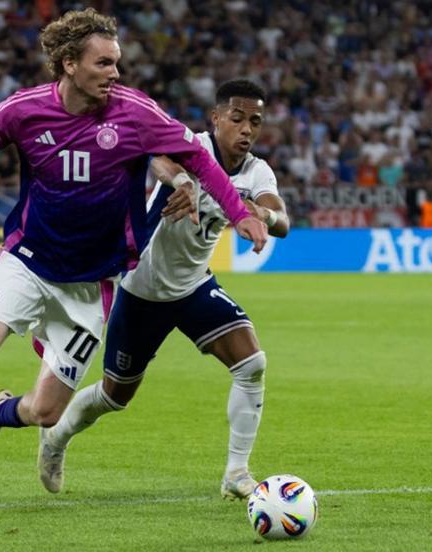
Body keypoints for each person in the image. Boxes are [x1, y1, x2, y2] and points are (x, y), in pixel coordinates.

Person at [0, 9, 267, 531]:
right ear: (68, 64)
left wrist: (239, 213)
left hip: (91, 288)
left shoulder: (135, 112)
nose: (115, 73)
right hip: (28, 262)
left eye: (117, 62)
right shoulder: (22, 111)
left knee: (44, 413)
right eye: (104, 63)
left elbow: (195, 160)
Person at [31, 79, 289, 500]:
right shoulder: (191, 145)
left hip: (193, 288)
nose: (246, 130)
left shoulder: (257, 171)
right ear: (217, 118)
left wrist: (260, 212)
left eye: (255, 122)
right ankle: (56, 437)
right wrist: (184, 181)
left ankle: (236, 473)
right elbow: (157, 161)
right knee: (115, 396)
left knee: (252, 363)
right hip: (141, 290)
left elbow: (283, 220)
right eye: (237, 119)